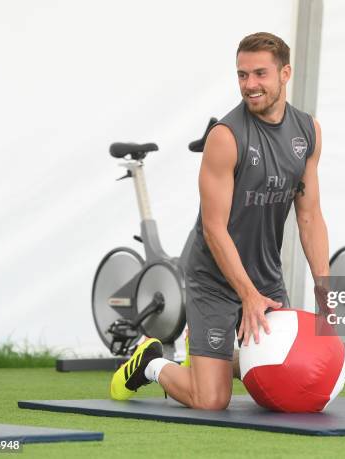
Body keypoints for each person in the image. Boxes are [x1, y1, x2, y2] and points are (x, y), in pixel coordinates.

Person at [110, 32, 329, 410]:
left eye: (260, 74)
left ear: (285, 73)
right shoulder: (226, 137)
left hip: (265, 274)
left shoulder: (308, 131)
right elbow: (214, 228)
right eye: (242, 75)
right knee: (210, 399)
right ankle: (151, 363)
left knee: (291, 378)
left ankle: (211, 356)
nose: (250, 85)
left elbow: (309, 215)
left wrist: (325, 285)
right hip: (213, 276)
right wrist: (246, 294)